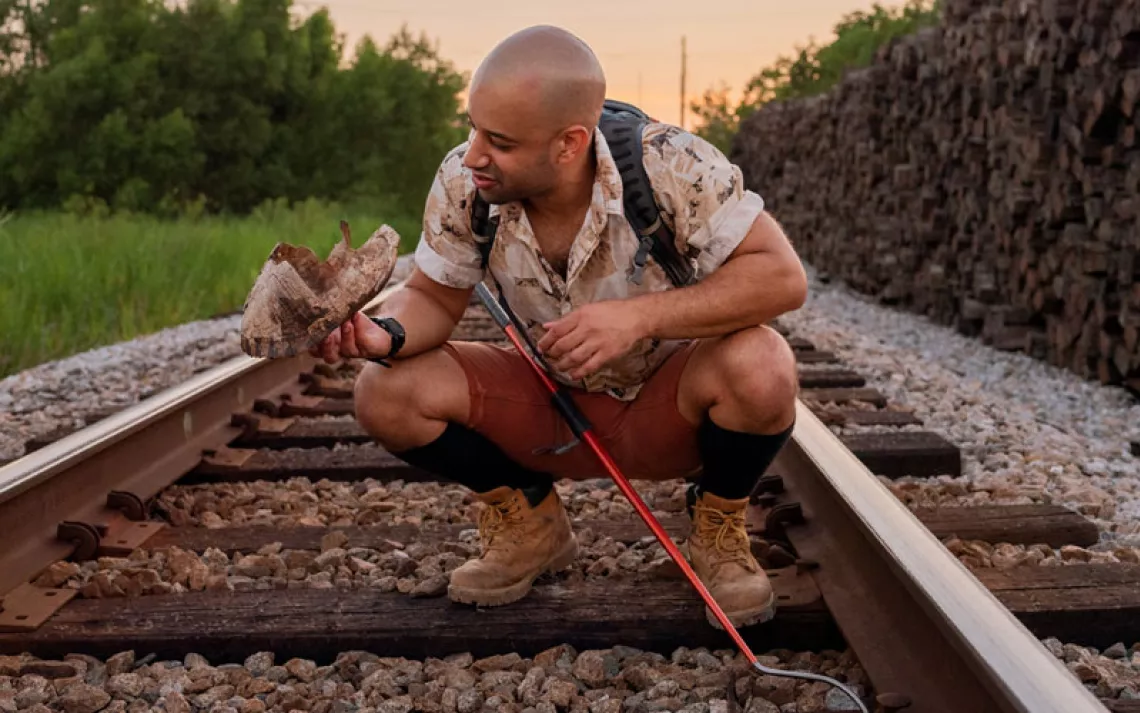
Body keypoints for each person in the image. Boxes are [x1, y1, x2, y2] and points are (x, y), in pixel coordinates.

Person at [311, 25, 807, 630]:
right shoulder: (466, 181)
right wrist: (383, 335)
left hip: (668, 408)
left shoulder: (673, 165)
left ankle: (717, 528)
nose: (472, 154)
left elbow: (782, 279)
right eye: (472, 128)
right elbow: (433, 300)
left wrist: (638, 317)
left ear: (570, 143)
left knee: (764, 363)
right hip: (547, 406)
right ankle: (531, 524)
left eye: (499, 141)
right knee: (383, 389)